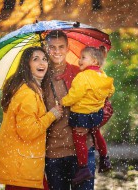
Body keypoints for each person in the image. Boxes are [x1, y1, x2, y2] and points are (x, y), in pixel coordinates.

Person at [0, 46, 63, 189]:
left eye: (44, 59)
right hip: (22, 169)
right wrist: (52, 115)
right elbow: (28, 132)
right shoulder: (28, 94)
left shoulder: (31, 89)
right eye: (35, 59)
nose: (42, 63)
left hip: (24, 166)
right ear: (27, 65)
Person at [42, 30, 96, 190]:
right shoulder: (40, 77)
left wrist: (89, 124)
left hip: (82, 151)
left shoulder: (82, 74)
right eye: (52, 47)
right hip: (53, 153)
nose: (57, 51)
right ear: (46, 48)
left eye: (61, 47)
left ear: (67, 48)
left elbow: (104, 107)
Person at [60, 46, 115, 184]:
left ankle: (83, 168)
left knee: (79, 140)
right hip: (96, 113)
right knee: (97, 133)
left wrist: (63, 102)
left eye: (83, 57)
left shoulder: (82, 76)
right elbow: (110, 90)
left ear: (94, 61)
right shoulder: (103, 75)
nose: (79, 60)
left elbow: (75, 95)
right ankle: (104, 158)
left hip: (82, 114)